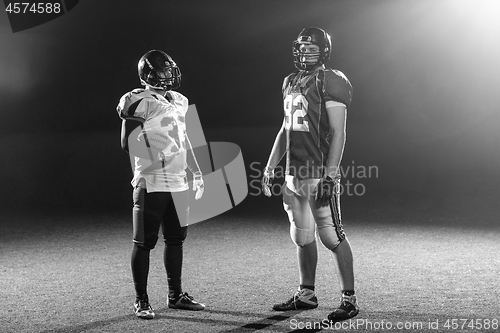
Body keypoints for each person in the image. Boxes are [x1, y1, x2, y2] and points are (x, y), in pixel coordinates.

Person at [262, 27, 359, 322]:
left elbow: (339, 131)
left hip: (318, 174)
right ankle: (306, 294)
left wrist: (330, 176)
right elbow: (285, 127)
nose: (304, 53)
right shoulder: (290, 81)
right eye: (300, 47)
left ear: (324, 51)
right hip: (294, 172)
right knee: (302, 236)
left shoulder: (330, 81)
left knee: (331, 236)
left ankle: (349, 299)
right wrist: (270, 166)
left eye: (311, 47)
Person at [116, 49, 205, 319]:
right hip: (151, 181)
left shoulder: (179, 99)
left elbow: (185, 137)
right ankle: (141, 300)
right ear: (149, 75)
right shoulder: (138, 100)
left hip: (178, 181)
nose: (169, 75)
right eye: (162, 71)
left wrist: (197, 171)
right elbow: (127, 142)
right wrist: (155, 149)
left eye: (170, 69)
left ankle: (175, 295)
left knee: (176, 240)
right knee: (143, 242)